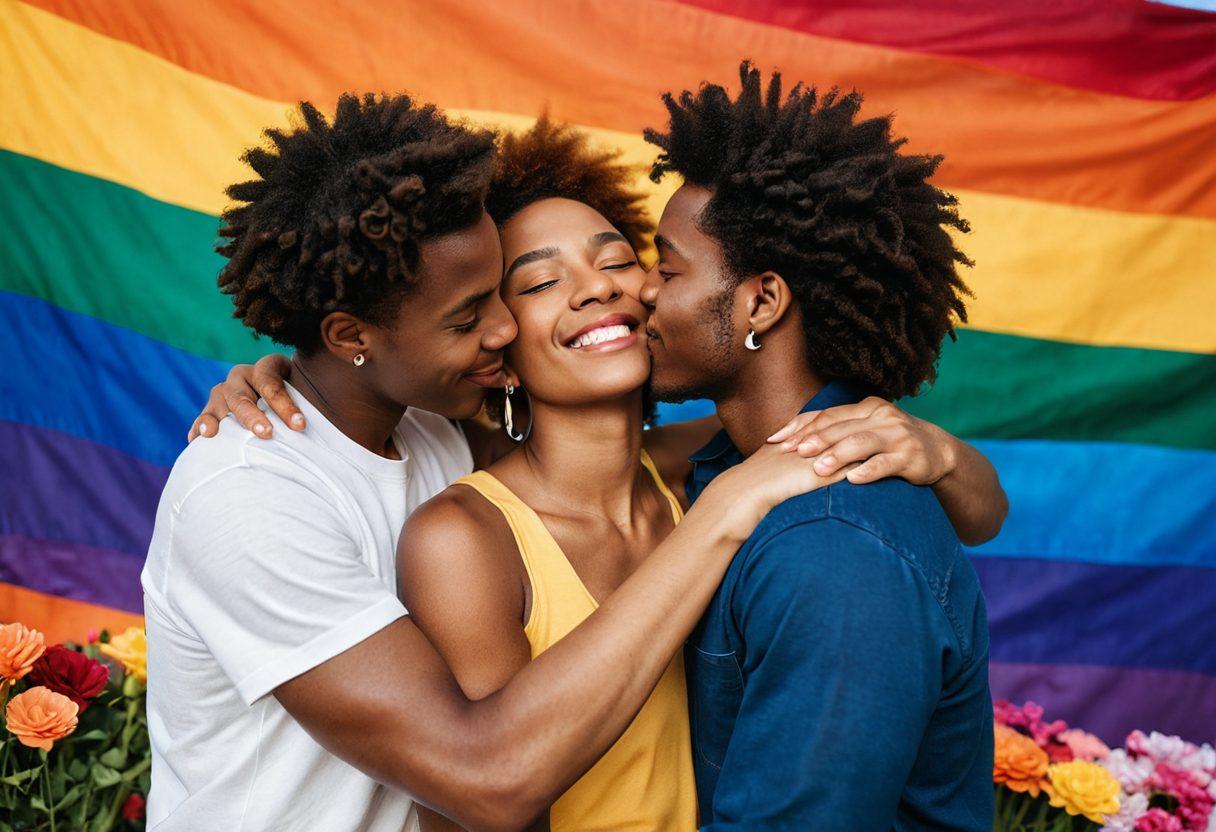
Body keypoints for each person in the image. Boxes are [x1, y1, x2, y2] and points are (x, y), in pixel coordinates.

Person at [198, 112, 1007, 829]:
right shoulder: (464, 520)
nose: (603, 291)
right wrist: (296, 373)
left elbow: (841, 455)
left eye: (628, 260)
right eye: (539, 283)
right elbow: (485, 791)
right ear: (498, 352)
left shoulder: (709, 473)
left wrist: (943, 453)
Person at [637, 62, 998, 829]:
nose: (640, 292)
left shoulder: (832, 550)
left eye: (665, 268)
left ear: (761, 300)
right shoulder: (737, 463)